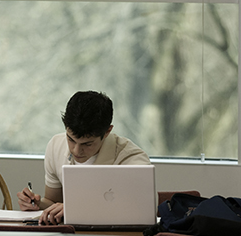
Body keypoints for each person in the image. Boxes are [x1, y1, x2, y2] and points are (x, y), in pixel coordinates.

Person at [17, 90, 151, 225]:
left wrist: (74, 209)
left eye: (87, 144)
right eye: (71, 139)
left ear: (107, 132)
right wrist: (37, 204)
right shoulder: (55, 146)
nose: (76, 150)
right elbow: (54, 202)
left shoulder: (133, 160)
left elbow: (142, 211)